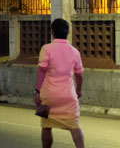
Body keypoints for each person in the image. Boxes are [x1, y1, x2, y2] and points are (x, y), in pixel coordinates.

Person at [35, 18, 85, 148]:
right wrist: (78, 91)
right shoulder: (75, 52)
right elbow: (79, 76)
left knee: (47, 126)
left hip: (49, 96)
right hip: (68, 96)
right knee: (74, 126)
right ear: (67, 32)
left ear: (52, 32)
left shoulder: (46, 49)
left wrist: (37, 91)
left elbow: (42, 70)